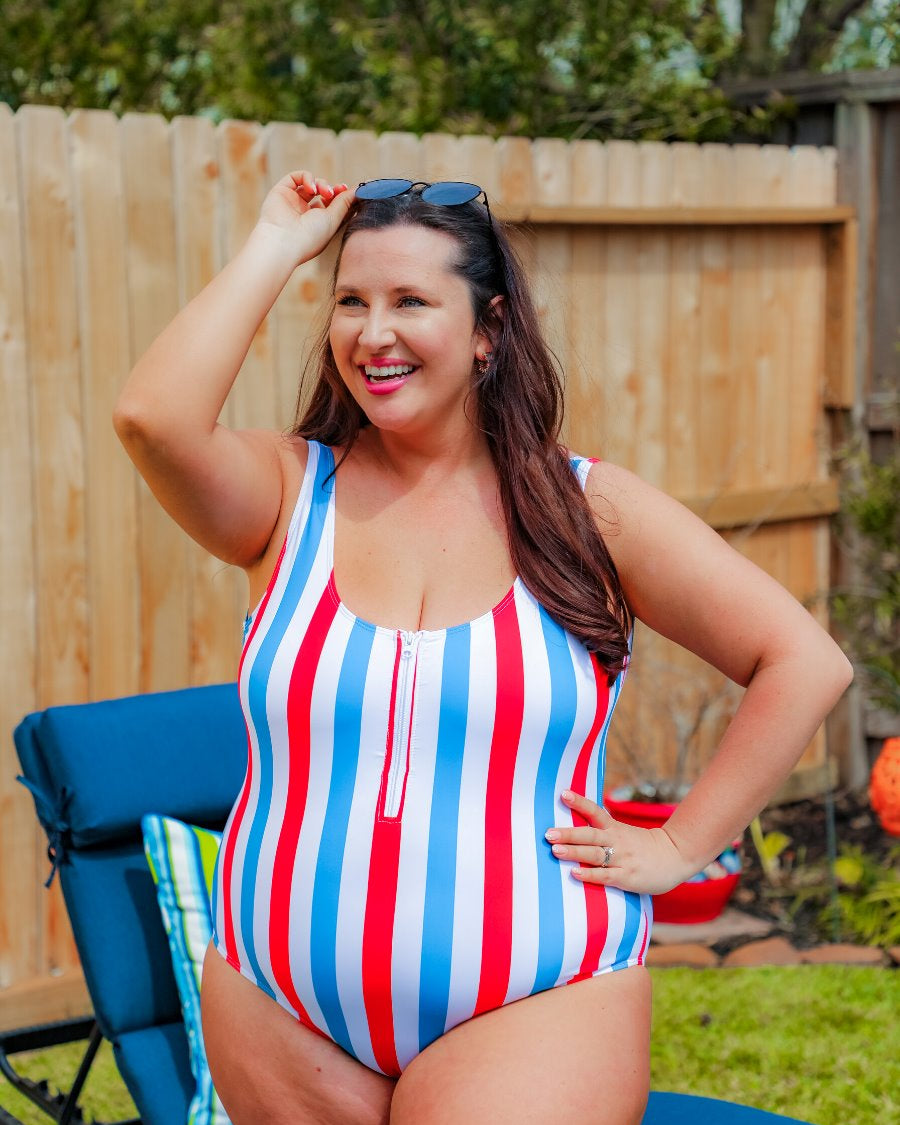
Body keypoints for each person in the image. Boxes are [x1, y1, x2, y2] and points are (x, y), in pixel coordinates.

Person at [114, 170, 852, 1125]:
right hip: (275, 999)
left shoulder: (587, 510)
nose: (372, 333)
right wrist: (274, 244)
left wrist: (682, 842)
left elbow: (803, 661)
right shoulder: (288, 495)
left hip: (537, 1003)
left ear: (487, 330)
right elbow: (152, 418)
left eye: (410, 301)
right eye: (350, 301)